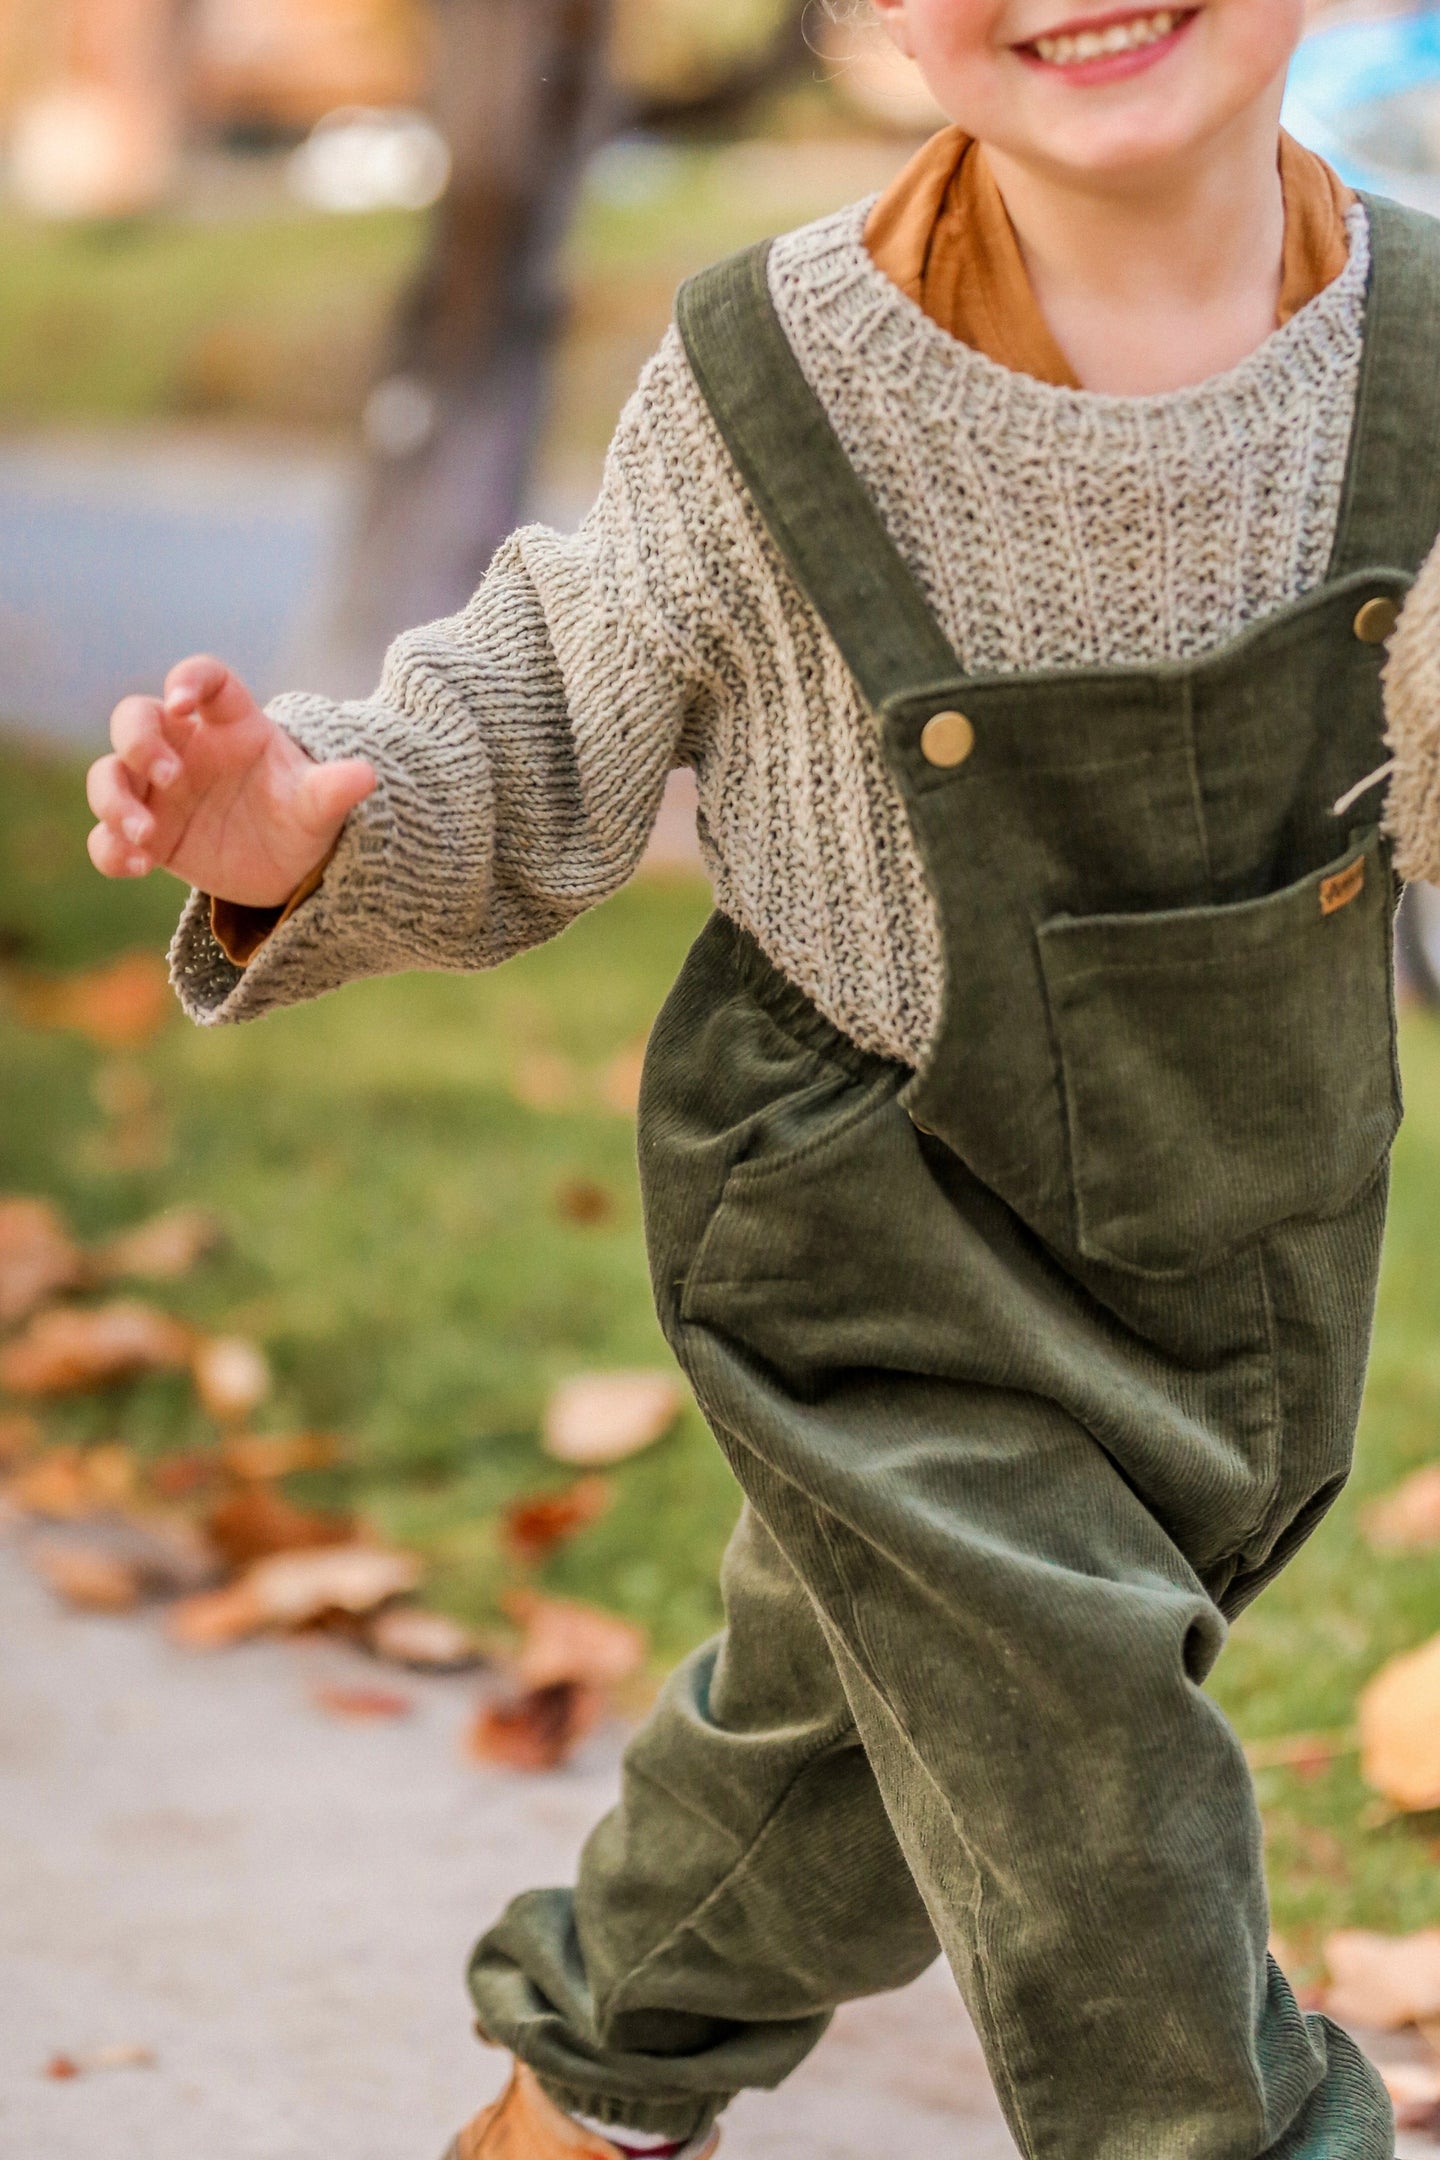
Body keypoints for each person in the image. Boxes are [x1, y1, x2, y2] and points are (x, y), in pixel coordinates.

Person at [84, 0, 1440, 2151]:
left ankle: (591, 2086)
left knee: (844, 1742)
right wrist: (302, 826)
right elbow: (551, 705)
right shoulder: (779, 381)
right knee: (1085, 1780)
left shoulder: (1426, 351)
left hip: (1246, 1230)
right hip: (860, 1215)